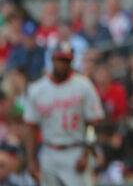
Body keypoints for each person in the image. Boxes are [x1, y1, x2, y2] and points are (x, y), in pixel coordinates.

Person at [23, 42, 105, 186]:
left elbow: (93, 124)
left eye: (67, 60)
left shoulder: (84, 86)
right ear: (53, 59)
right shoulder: (37, 89)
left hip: (75, 150)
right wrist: (31, 160)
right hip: (48, 150)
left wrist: (86, 153)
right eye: (60, 59)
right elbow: (31, 127)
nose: (63, 64)